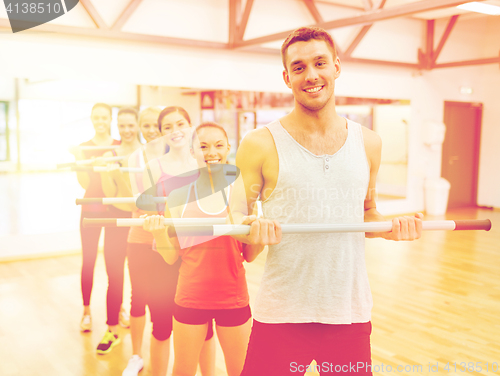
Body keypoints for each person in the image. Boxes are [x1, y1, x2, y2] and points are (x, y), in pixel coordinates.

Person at [230, 27, 424, 376]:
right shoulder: (258, 144)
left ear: (336, 66)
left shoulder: (369, 143)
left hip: (347, 312)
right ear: (287, 77)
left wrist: (391, 228)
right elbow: (238, 223)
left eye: (320, 63)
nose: (311, 75)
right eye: (300, 67)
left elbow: (367, 213)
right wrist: (251, 229)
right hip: (281, 314)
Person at [143, 122, 260, 376]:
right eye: (203, 146)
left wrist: (260, 236)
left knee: (241, 371)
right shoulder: (178, 196)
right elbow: (171, 255)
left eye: (219, 145)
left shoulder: (241, 194)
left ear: (229, 148)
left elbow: (249, 255)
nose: (211, 152)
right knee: (183, 371)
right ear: (192, 151)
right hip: (191, 296)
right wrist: (159, 232)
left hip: (233, 296)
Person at [122, 107, 215, 376]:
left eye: (181, 124)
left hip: (198, 256)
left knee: (205, 328)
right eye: (167, 127)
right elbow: (151, 210)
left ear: (190, 126)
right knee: (162, 325)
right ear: (161, 134)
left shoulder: (203, 162)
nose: (175, 131)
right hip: (163, 255)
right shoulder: (153, 168)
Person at [94, 107, 143, 355]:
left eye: (130, 125)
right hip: (116, 221)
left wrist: (128, 196)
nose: (126, 130)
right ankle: (111, 328)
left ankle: (141, 333)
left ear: (137, 125)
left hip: (140, 223)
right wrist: (106, 172)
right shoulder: (110, 154)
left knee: (139, 281)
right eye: (121, 126)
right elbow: (111, 197)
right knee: (114, 276)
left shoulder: (147, 155)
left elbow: (139, 200)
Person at [72, 103, 120, 334]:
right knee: (89, 260)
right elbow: (84, 184)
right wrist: (81, 159)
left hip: (115, 209)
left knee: (115, 263)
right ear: (91, 119)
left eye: (104, 117)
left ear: (110, 119)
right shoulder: (84, 148)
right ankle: (87, 311)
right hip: (91, 207)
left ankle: (117, 308)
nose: (100, 121)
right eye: (96, 118)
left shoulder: (120, 147)